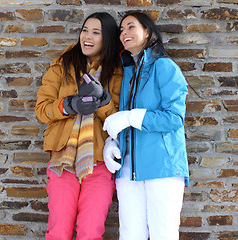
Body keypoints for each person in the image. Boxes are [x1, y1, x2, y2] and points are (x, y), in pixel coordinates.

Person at [102, 11, 189, 240]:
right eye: (121, 30)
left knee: (164, 234)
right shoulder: (128, 73)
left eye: (131, 27)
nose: (124, 33)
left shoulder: (165, 67)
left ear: (147, 32)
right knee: (130, 235)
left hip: (162, 167)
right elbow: (122, 118)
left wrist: (131, 117)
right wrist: (112, 141)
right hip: (128, 171)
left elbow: (174, 119)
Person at [35, 12, 122, 240]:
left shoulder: (117, 72)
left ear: (108, 38)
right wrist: (69, 104)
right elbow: (42, 110)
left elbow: (117, 120)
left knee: (90, 232)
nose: (88, 36)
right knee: (59, 231)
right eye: (85, 30)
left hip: (100, 163)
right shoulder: (61, 66)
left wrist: (101, 101)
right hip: (63, 161)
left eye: (96, 32)